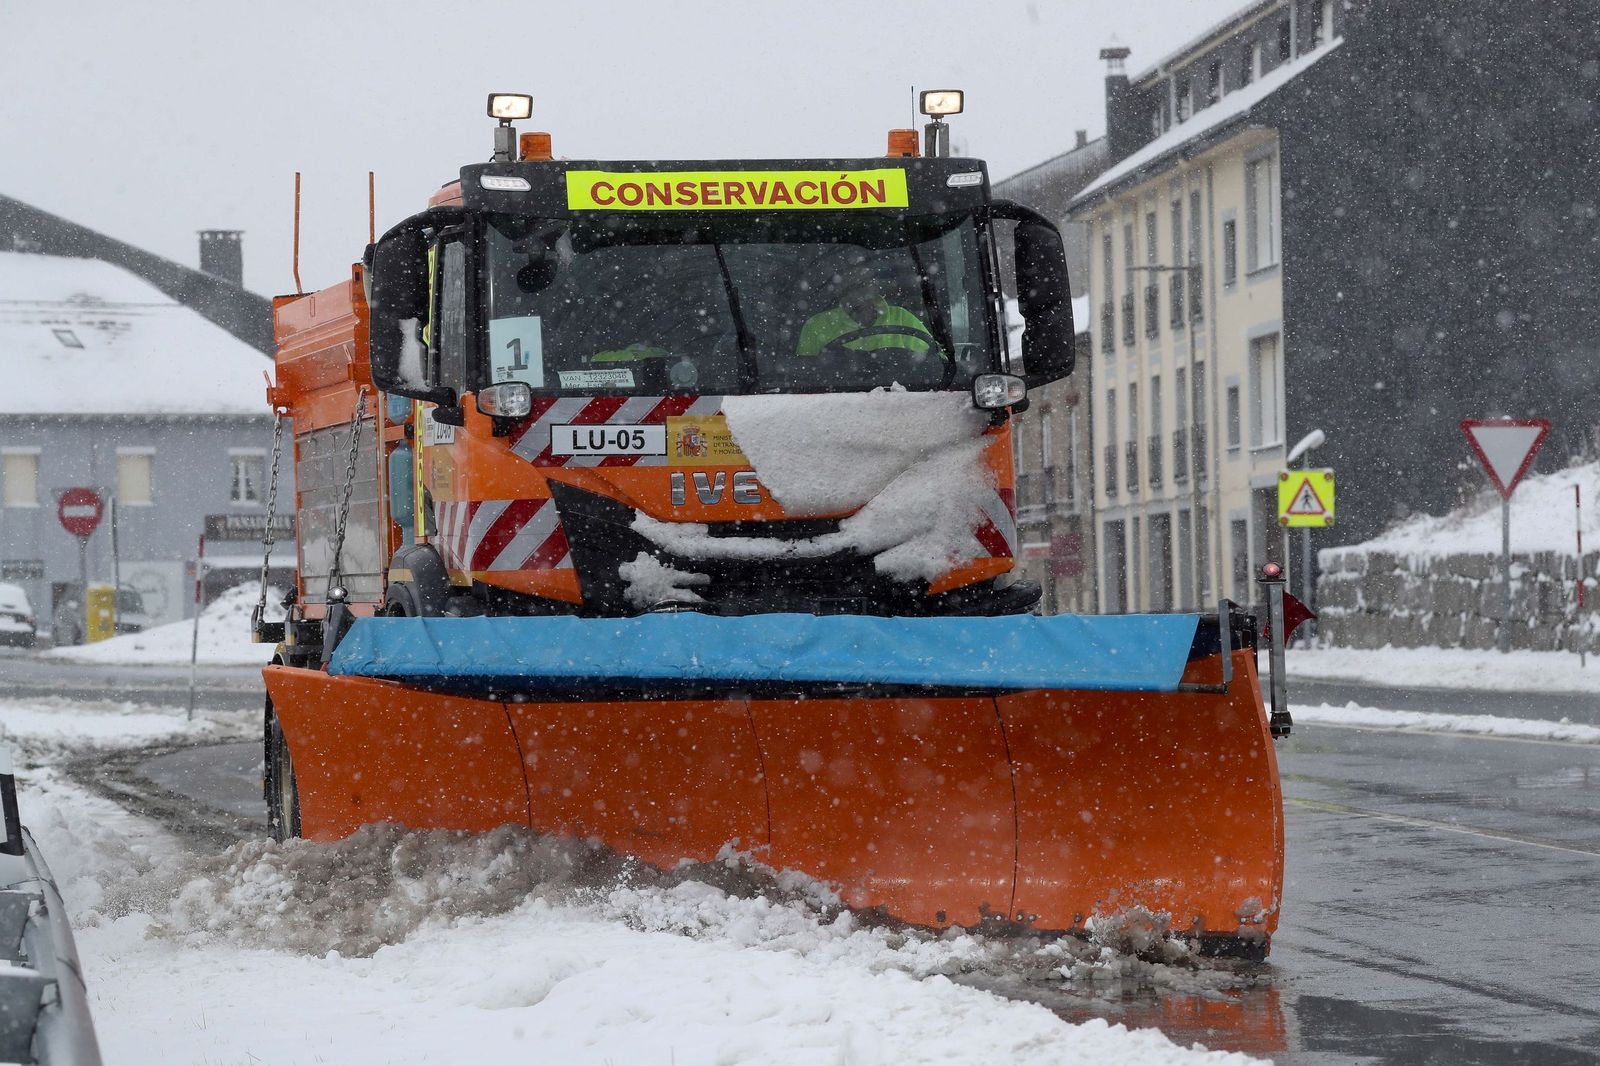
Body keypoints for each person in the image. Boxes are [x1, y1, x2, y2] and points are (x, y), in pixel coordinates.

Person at [795, 264, 938, 358]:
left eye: (862, 285)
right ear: (839, 293)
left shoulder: (904, 319)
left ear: (875, 287)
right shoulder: (816, 326)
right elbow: (803, 380)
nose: (857, 295)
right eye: (848, 289)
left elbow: (934, 366)